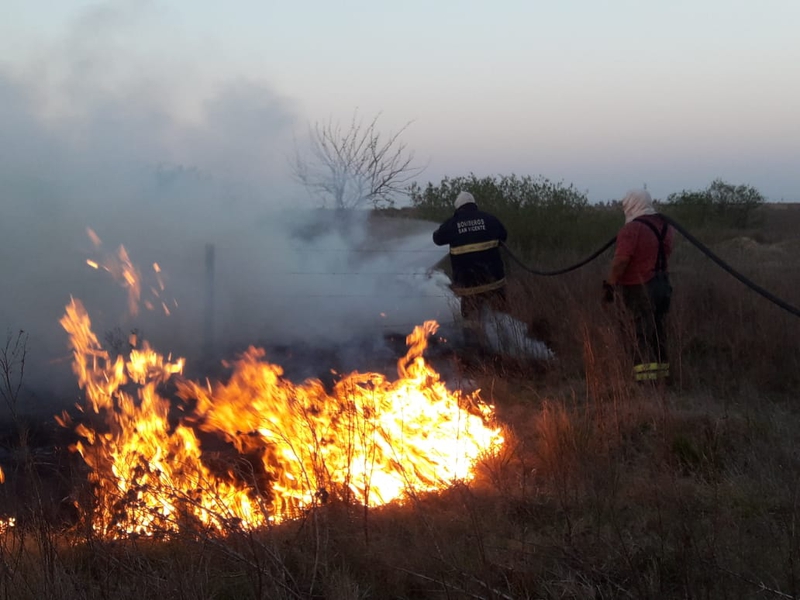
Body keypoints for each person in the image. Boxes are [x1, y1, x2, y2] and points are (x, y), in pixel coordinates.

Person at [604, 189, 674, 382]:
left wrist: (610, 284)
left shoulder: (631, 229)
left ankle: (644, 381)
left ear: (631, 204)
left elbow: (621, 261)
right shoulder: (666, 227)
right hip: (662, 285)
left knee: (640, 333)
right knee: (658, 331)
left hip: (638, 288)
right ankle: (662, 377)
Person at [433, 191, 508, 350]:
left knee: (471, 321)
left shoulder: (453, 224)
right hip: (495, 283)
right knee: (499, 317)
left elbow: (437, 239)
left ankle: (474, 351)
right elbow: (504, 235)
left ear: (458, 208)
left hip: (469, 286)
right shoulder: (490, 219)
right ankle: (506, 346)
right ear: (474, 205)